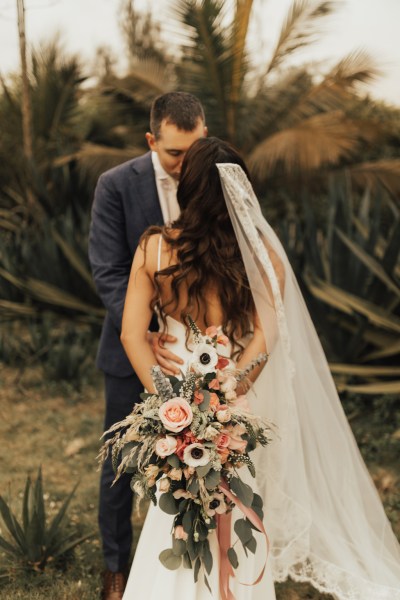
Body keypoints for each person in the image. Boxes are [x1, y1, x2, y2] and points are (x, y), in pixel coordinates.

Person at [119, 137, 400, 600]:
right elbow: (268, 340)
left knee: (176, 502)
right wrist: (228, 392)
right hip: (232, 405)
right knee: (235, 496)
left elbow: (132, 335)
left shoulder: (154, 248)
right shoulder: (264, 259)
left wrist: (172, 405)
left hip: (174, 399)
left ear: (187, 188)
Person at [88, 92, 207, 600]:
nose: (187, 164)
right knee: (121, 460)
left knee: (198, 456)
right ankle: (116, 566)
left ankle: (187, 561)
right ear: (151, 140)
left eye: (195, 149)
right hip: (131, 346)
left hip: (200, 351)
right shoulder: (115, 185)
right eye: (176, 153)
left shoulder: (213, 177)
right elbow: (108, 270)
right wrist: (144, 328)